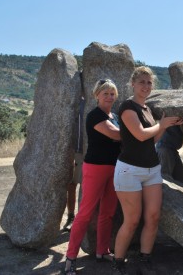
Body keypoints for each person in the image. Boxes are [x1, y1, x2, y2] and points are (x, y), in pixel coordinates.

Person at [112, 66, 183, 275]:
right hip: (129, 170)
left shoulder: (147, 110)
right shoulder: (127, 107)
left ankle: (145, 258)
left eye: (149, 82)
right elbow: (141, 134)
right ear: (132, 84)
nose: (146, 86)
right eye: (142, 82)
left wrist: (166, 126)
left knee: (153, 217)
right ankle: (118, 263)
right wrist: (162, 124)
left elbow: (153, 139)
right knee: (132, 220)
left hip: (152, 170)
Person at [64, 79, 121, 275]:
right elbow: (116, 134)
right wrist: (139, 131)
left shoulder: (115, 115)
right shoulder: (94, 116)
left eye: (112, 93)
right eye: (105, 93)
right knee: (85, 214)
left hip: (114, 168)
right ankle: (70, 258)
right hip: (95, 168)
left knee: (108, 212)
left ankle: (102, 251)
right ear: (96, 95)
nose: (109, 96)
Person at [63, 96, 85, 232]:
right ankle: (71, 216)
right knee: (71, 184)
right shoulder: (72, 99)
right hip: (72, 149)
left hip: (86, 150)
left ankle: (82, 220)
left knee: (86, 186)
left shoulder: (93, 99)